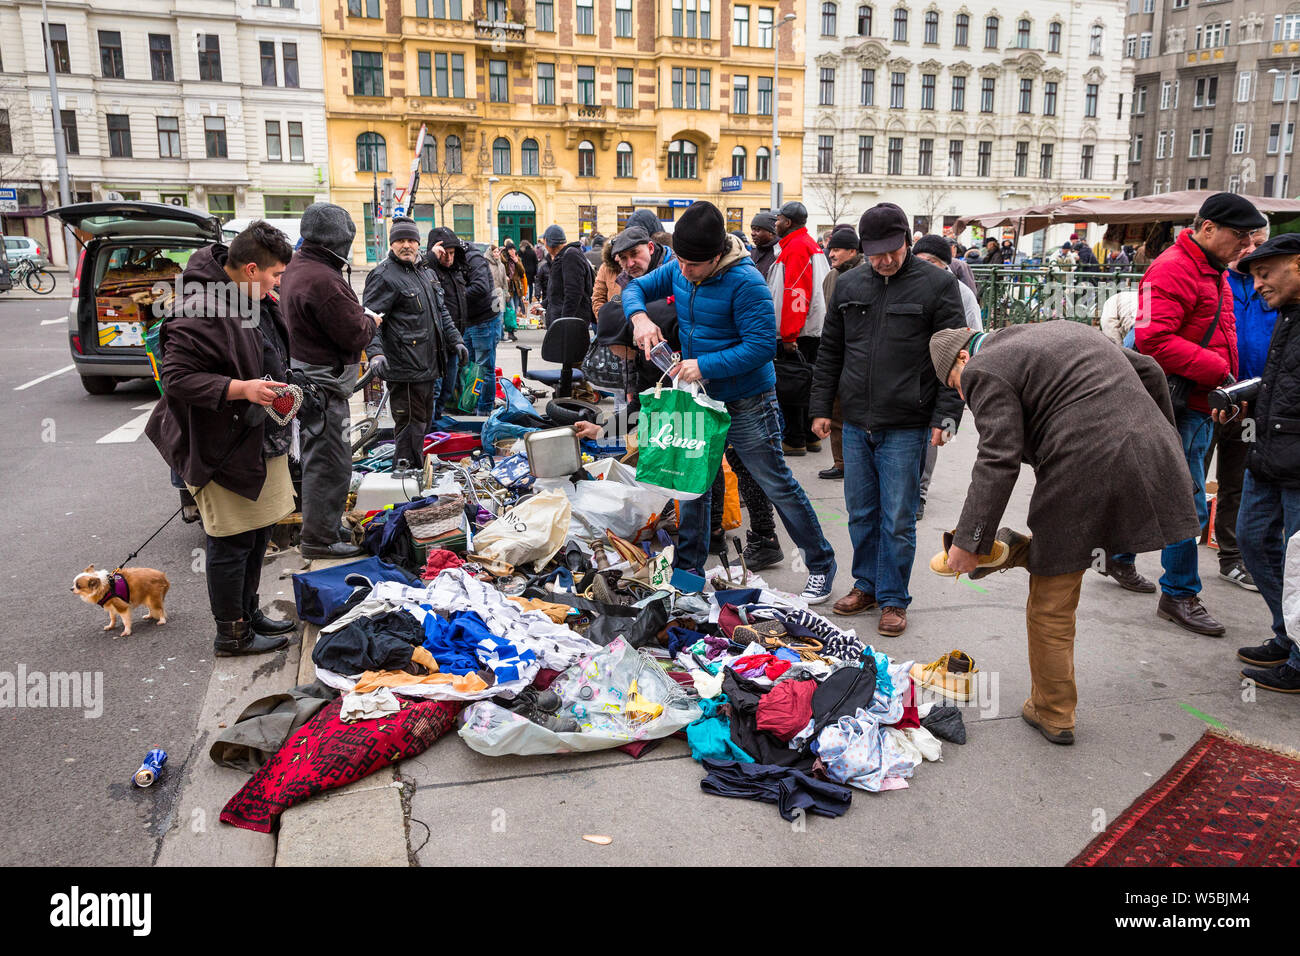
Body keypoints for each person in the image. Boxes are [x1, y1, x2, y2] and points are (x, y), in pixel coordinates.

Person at [930, 321, 1199, 744]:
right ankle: (1027, 550)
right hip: (1151, 450)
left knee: (1052, 597)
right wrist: (1161, 434)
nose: (963, 396)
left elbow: (997, 459)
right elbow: (1148, 369)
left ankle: (1052, 712)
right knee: (1066, 546)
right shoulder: (1064, 331)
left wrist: (966, 543)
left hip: (1082, 465)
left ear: (963, 358)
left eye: (955, 386)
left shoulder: (982, 369)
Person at [622, 201, 837, 603]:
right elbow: (632, 287)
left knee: (777, 484)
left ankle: (821, 563)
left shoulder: (746, 282)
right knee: (695, 486)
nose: (684, 272)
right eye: (681, 262)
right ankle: (688, 571)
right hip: (701, 400)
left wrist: (703, 365)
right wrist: (640, 318)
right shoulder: (680, 267)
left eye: (694, 265)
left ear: (717, 255)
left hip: (748, 402)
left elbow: (760, 347)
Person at [145, 221, 301, 657]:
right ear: (251, 269)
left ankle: (248, 614)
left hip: (255, 437)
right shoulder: (198, 307)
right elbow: (177, 379)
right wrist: (243, 389)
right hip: (221, 444)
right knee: (232, 540)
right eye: (274, 276)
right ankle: (231, 633)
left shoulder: (244, 297)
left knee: (257, 534)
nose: (277, 285)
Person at [810, 204, 966, 635]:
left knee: (897, 518)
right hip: (857, 421)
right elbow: (831, 351)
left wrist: (945, 417)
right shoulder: (850, 283)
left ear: (907, 242)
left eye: (891, 251)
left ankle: (894, 599)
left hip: (907, 422)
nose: (883, 260)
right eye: (874, 252)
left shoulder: (938, 285)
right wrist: (821, 408)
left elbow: (954, 357)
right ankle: (867, 585)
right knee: (861, 512)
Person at [1119, 192, 1266, 637]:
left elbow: (1221, 333)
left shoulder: (1213, 269)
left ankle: (1120, 556)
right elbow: (1152, 341)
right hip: (1175, 402)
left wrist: (1229, 385)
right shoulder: (1170, 269)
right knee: (1187, 503)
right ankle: (1179, 593)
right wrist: (1221, 371)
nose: (1246, 246)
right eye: (1239, 236)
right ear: (1207, 229)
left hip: (1201, 402)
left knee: (1165, 494)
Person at [278, 202, 376, 559]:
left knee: (327, 459)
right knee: (330, 463)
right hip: (322, 385)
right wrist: (371, 321)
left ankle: (328, 526)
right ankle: (319, 539)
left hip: (311, 380)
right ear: (339, 241)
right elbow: (354, 334)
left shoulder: (299, 266)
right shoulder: (323, 279)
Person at [1227, 236, 1300, 692]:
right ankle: (1289, 632)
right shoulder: (1288, 315)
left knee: (1298, 564)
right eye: (1253, 276)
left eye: (1265, 273)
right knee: (1254, 542)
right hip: (1269, 454)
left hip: (1296, 464)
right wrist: (1243, 397)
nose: (1257, 286)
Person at [363, 217, 467, 468]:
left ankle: (416, 472)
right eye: (400, 240)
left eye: (411, 240)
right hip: (405, 369)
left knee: (421, 423)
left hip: (428, 365)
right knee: (409, 426)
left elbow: (441, 314)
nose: (406, 245)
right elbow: (368, 320)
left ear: (419, 243)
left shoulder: (425, 272)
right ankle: (405, 478)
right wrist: (375, 354)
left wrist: (456, 342)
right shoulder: (383, 276)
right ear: (392, 244)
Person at [1211, 225, 1274, 591]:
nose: (1250, 251)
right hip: (1208, 399)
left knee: (1237, 481)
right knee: (1181, 480)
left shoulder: (1271, 287)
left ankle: (1231, 558)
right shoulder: (1216, 282)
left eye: (1259, 245)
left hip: (1251, 404)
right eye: (1244, 242)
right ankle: (1126, 554)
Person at [911, 234, 984, 521]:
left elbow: (974, 335)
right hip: (909, 377)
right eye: (920, 261)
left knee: (935, 435)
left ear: (945, 266)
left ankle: (920, 493)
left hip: (945, 377)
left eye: (931, 262)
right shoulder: (907, 287)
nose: (925, 267)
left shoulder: (961, 293)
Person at [770, 200, 825, 457]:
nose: (776, 223)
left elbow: (796, 293)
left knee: (793, 384)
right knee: (806, 382)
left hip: (800, 331)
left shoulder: (797, 247)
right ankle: (809, 436)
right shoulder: (808, 244)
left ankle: (795, 438)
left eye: (778, 219)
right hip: (810, 328)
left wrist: (790, 334)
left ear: (788, 222)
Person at [816, 224, 863, 482]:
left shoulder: (865, 273)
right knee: (835, 410)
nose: (831, 254)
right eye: (830, 249)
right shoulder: (831, 276)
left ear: (852, 251)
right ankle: (841, 462)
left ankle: (858, 462)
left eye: (837, 249)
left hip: (858, 352)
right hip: (837, 350)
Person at [541, 224, 595, 328]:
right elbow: (558, 291)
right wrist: (544, 304)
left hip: (570, 325)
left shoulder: (570, 255)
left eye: (544, 241)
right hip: (564, 321)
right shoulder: (564, 255)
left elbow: (573, 293)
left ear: (548, 242)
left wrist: (564, 323)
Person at [749, 212, 780, 279]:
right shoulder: (751, 253)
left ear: (771, 233)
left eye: (757, 230)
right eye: (752, 229)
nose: (752, 233)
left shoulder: (779, 254)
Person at [520, 239, 539, 305]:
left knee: (524, 284)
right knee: (530, 285)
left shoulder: (523, 252)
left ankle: (525, 298)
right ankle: (530, 298)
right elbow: (536, 261)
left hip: (524, 270)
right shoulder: (532, 251)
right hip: (532, 270)